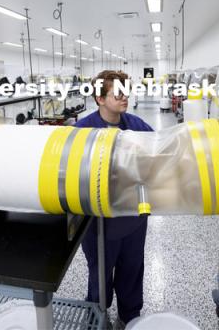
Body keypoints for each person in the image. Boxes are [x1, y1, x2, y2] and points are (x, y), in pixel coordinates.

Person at [75, 70, 153, 329]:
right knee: (100, 271)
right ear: (99, 98)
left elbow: (159, 154)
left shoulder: (137, 126)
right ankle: (96, 313)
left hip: (132, 215)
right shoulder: (82, 131)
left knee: (132, 267)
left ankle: (130, 315)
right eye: (117, 92)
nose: (124, 96)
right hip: (98, 221)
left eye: (126, 91)